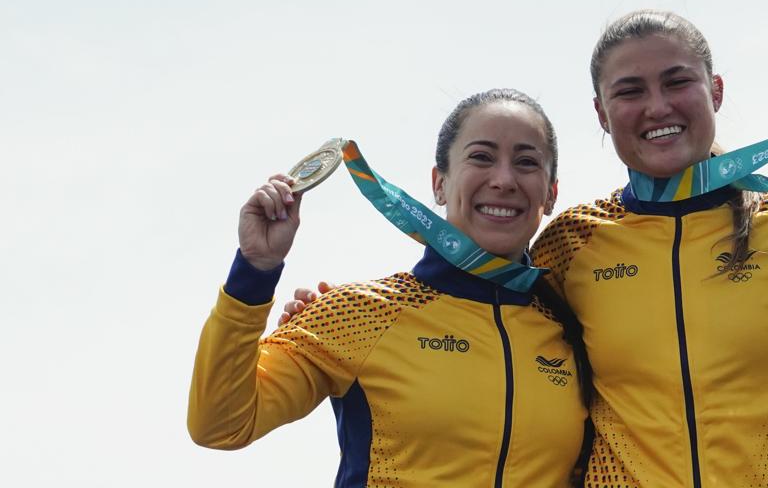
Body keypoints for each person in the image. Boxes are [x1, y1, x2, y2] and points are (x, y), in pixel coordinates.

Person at [281, 10, 768, 488]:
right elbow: (477, 309)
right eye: (629, 91)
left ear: (716, 92)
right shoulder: (572, 245)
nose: (657, 106)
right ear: (602, 116)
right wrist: (328, 322)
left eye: (677, 82)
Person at [187, 89, 590, 487]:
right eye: (481, 157)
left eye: (526, 162)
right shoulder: (357, 313)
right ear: (439, 184)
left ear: (551, 193)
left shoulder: (575, 331)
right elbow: (220, 424)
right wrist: (255, 271)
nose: (504, 179)